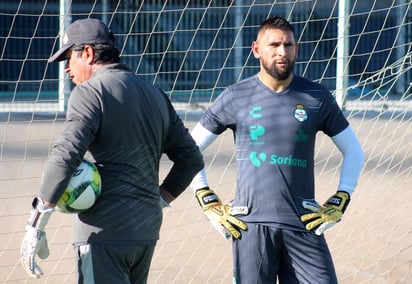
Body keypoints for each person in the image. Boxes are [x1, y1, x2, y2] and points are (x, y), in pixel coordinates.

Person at [20, 18, 204, 283]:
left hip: (103, 233)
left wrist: (36, 224)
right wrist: (159, 199)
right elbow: (191, 159)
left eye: (69, 58)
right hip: (145, 233)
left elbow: (66, 155)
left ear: (89, 54)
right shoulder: (155, 94)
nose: (67, 70)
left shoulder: (89, 93)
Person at [190, 16, 364, 284]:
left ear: (297, 49)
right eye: (274, 45)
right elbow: (189, 149)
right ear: (257, 50)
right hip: (251, 226)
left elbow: (353, 150)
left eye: (288, 45)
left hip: (304, 222)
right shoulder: (236, 96)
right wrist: (206, 198)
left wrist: (342, 198)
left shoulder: (317, 97)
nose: (282, 52)